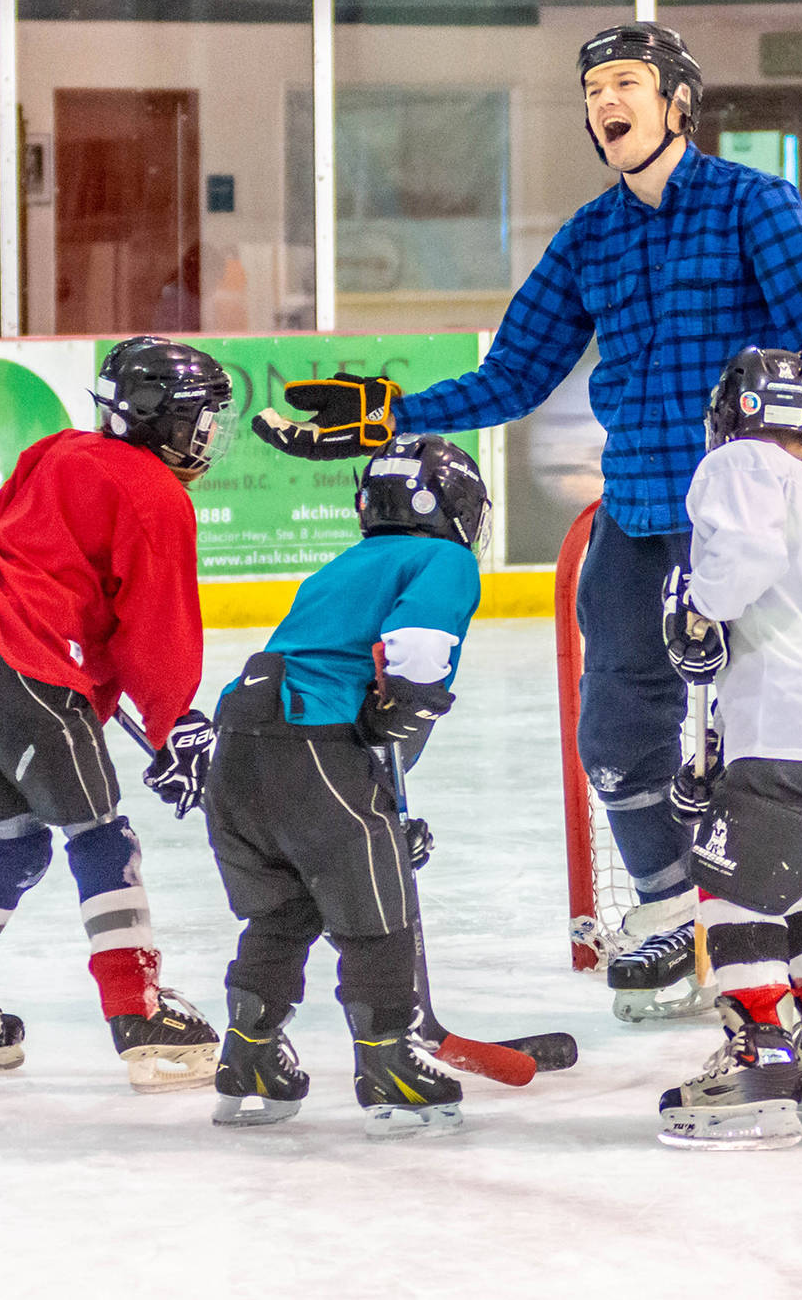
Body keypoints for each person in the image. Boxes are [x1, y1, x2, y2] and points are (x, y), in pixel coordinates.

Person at [248, 22, 802, 1022]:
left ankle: (786, 911)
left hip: (744, 520)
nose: (604, 101)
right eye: (592, 87)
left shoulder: (755, 206)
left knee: (762, 736)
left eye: (624, 82)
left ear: (676, 101)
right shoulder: (589, 237)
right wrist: (394, 417)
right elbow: (512, 374)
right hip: (638, 519)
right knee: (613, 735)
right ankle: (669, 907)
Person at [0, 337, 233, 1092]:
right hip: (26, 669)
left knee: (17, 844)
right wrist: (175, 717)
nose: (211, 435)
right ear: (167, 422)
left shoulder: (60, 450)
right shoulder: (155, 493)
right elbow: (158, 627)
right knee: (100, 835)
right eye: (204, 419)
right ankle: (138, 1011)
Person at [203, 434, 489, 1138]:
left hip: (238, 748)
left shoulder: (343, 565)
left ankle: (251, 1058)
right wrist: (378, 795)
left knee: (284, 908)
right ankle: (388, 1060)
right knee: (377, 907)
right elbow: (416, 653)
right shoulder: (443, 558)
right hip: (314, 745)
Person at [652, 347, 802, 1149]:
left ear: (733, 413)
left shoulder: (738, 464)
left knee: (731, 886)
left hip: (791, 719)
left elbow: (739, 568)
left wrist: (697, 609)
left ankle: (760, 1052)